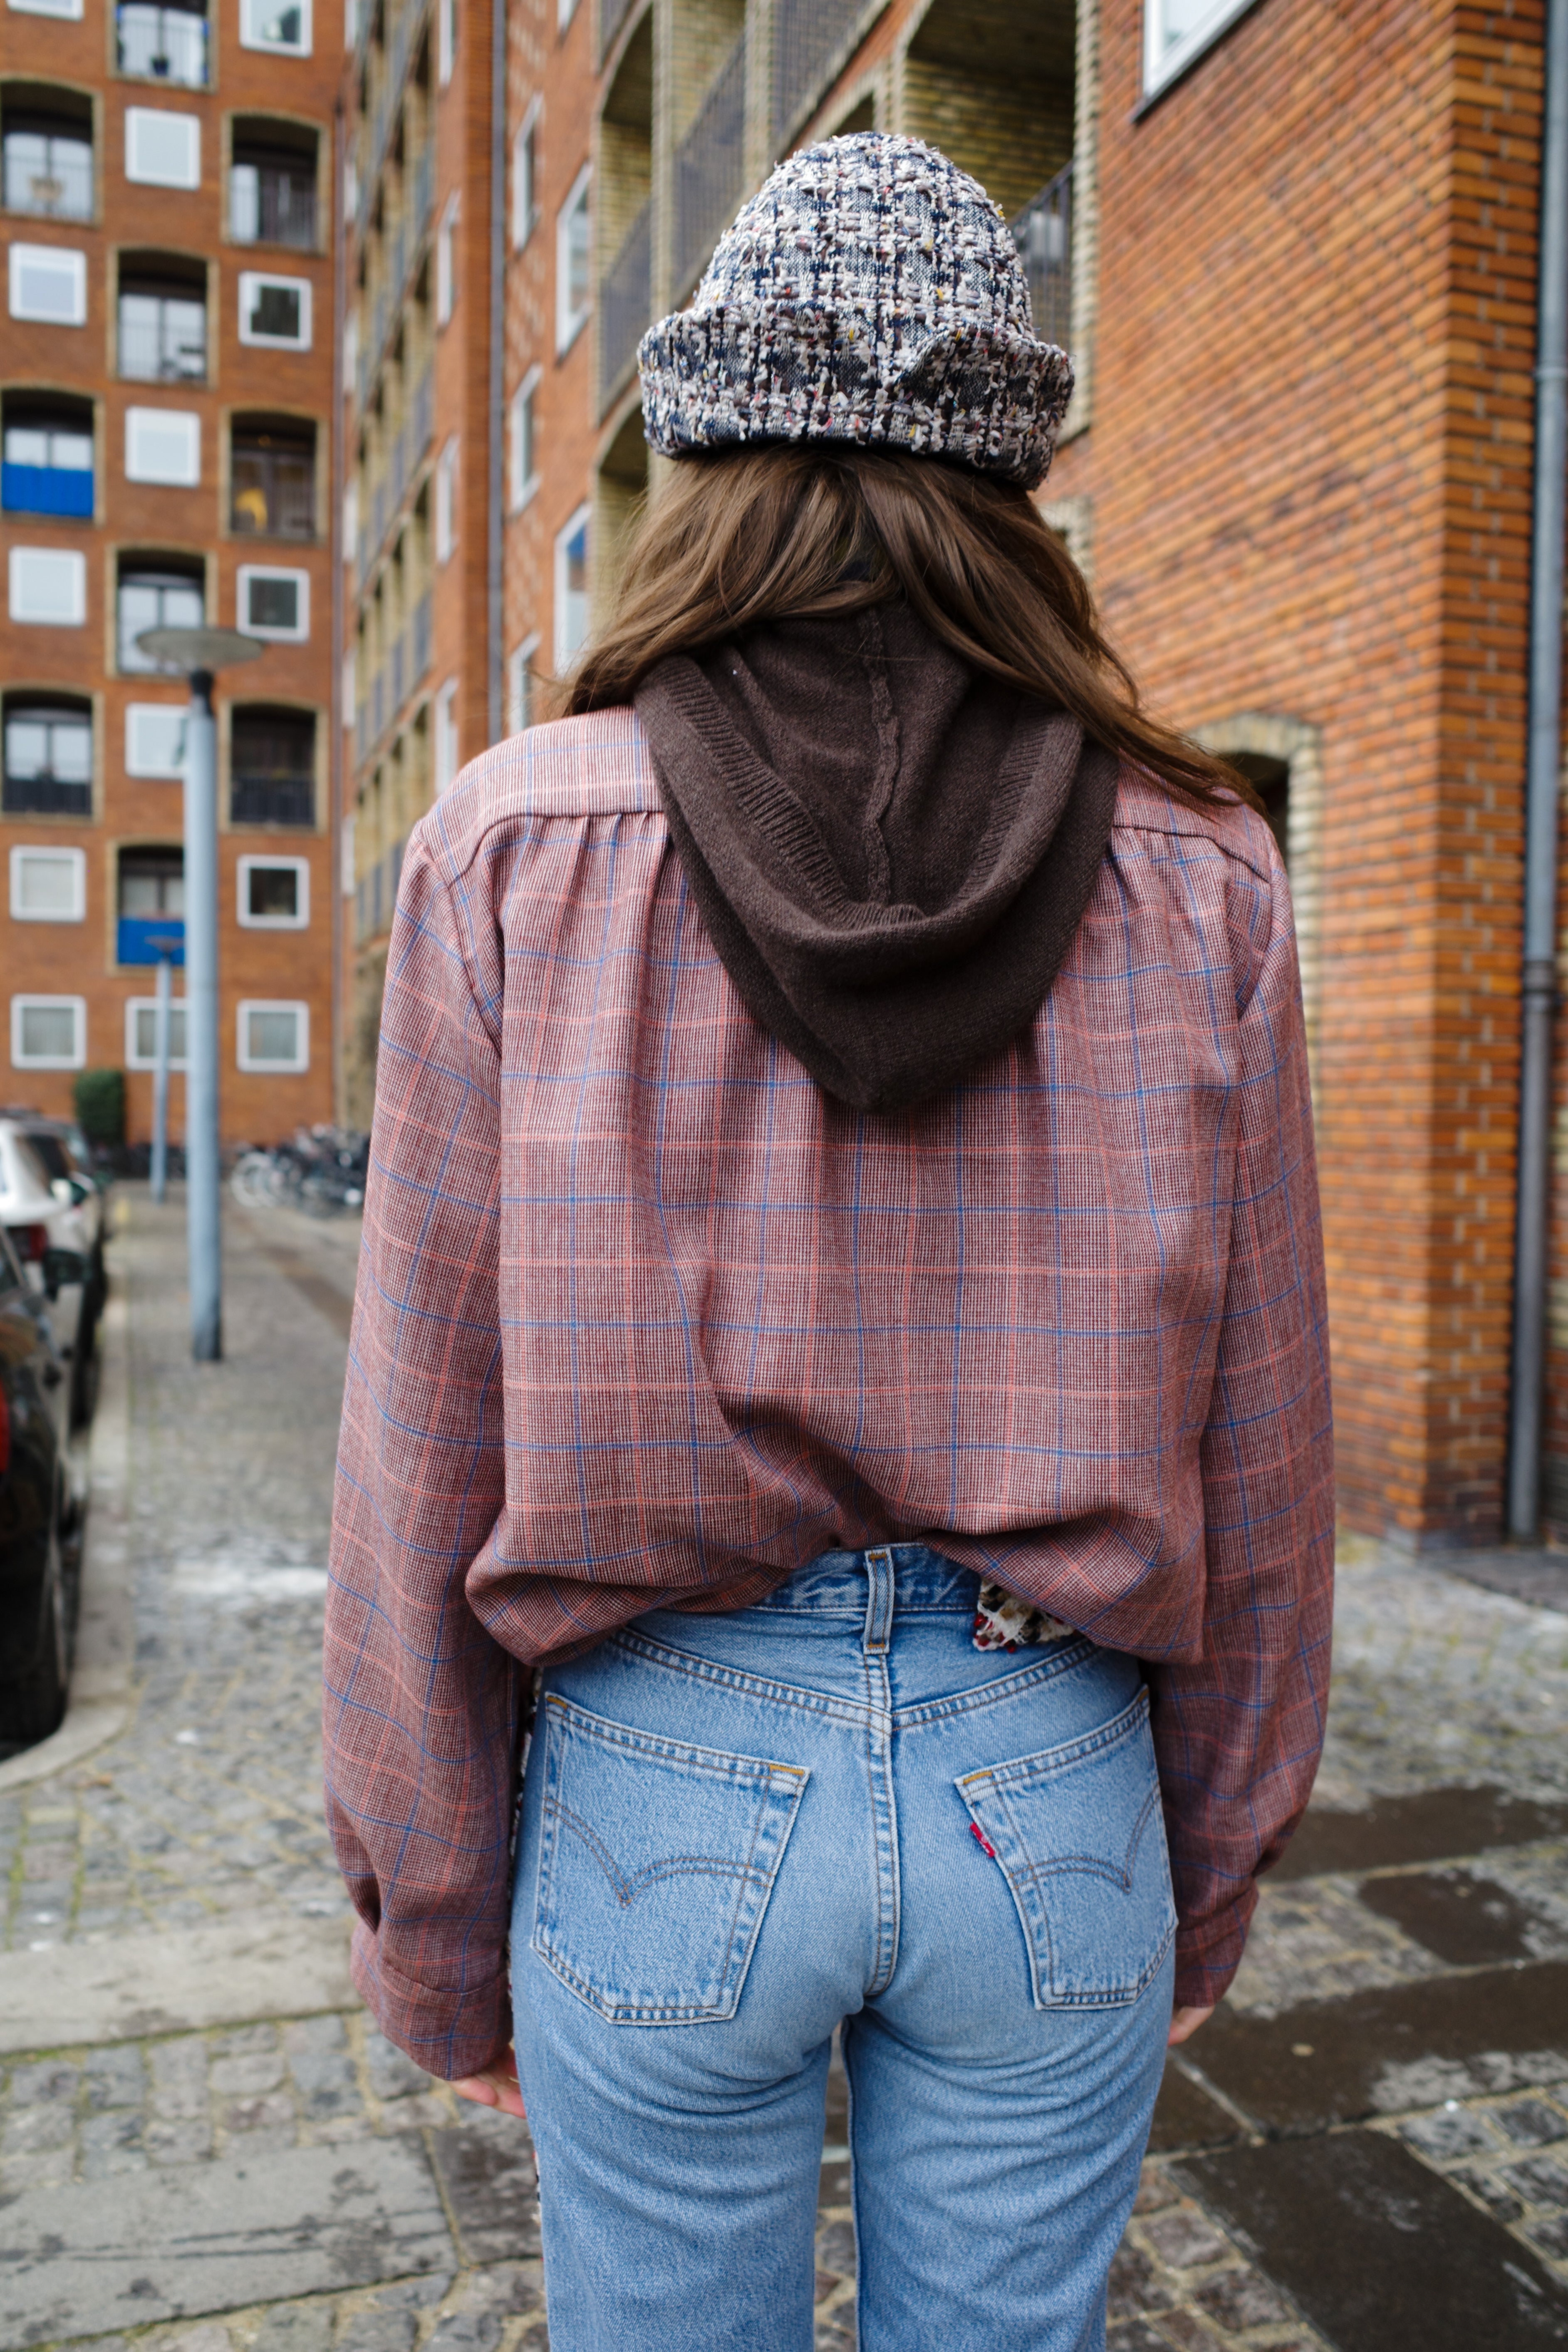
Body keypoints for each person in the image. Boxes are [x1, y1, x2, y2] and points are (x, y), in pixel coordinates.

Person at [324, 131, 1333, 2352]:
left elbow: (417, 1451)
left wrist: (438, 1920)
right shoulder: (1205, 870)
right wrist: (1213, 1865)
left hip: (663, 1777)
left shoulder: (511, 847)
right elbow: (1268, 1449)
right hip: (1048, 1782)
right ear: (1011, 476)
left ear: (709, 455)